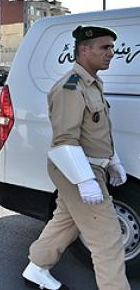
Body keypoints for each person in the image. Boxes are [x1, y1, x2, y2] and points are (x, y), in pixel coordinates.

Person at [22, 26, 130, 290]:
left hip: (91, 166)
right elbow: (64, 142)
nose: (111, 53)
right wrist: (85, 180)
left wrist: (113, 161)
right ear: (84, 49)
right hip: (77, 169)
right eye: (105, 47)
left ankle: (36, 268)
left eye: (112, 48)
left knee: (66, 222)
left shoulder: (92, 84)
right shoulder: (70, 87)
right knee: (108, 239)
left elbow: (96, 130)